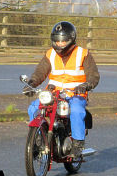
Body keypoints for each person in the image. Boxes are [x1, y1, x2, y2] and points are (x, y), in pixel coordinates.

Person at [25, 21, 100, 158]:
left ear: (71, 39)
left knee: (77, 110)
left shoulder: (83, 54)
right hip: (53, 94)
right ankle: (38, 138)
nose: (59, 44)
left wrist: (86, 85)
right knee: (33, 108)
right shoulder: (50, 54)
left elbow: (94, 75)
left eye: (63, 41)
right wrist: (31, 84)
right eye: (57, 41)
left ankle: (78, 143)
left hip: (75, 94)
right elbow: (39, 73)